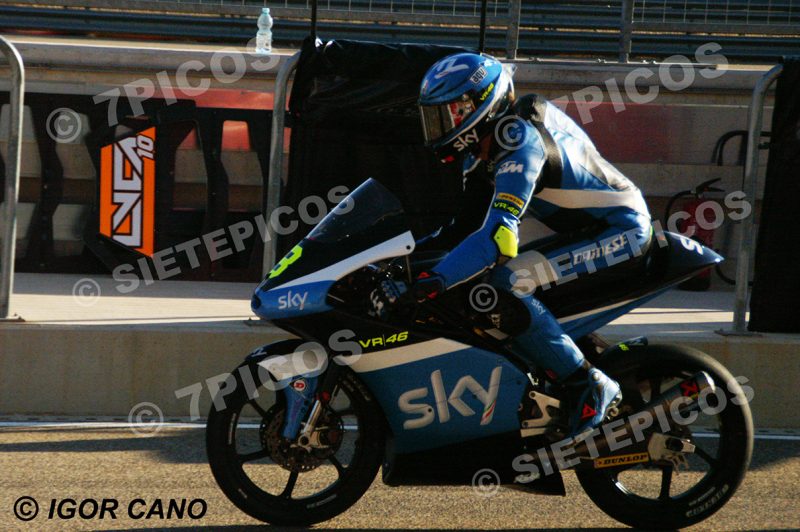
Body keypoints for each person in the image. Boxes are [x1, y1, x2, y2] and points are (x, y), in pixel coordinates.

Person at [384, 52, 654, 440]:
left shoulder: (518, 142)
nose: (441, 127)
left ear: (482, 104)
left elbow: (498, 238)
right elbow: (461, 231)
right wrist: (397, 263)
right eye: (435, 117)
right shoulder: (490, 148)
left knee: (503, 283)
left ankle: (588, 384)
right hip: (594, 231)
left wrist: (434, 281)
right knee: (479, 284)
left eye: (450, 113)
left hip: (623, 233)